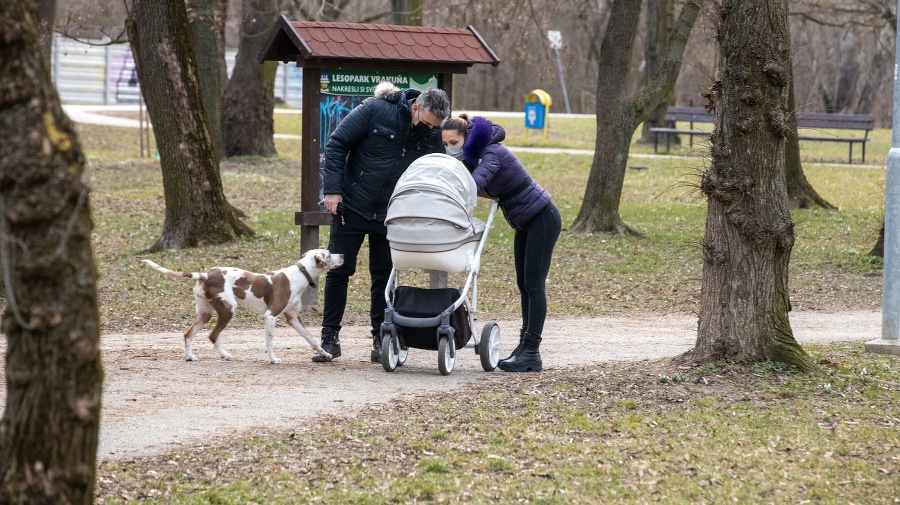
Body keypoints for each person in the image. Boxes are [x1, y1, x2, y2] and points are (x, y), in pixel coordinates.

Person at [313, 85, 451, 363]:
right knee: (340, 271)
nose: (429, 130)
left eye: (434, 126)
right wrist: (332, 190)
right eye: (426, 123)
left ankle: (381, 337)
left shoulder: (434, 132)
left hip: (391, 213)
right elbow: (337, 144)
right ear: (415, 108)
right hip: (350, 205)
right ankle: (329, 337)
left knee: (383, 276)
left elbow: (437, 170)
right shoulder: (375, 110)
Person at [441, 114, 561, 372]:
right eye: (445, 144)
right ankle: (524, 347)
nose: (450, 148)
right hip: (527, 221)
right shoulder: (477, 155)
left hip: (542, 218)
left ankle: (531, 351)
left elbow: (474, 186)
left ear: (467, 139)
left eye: (454, 142)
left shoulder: (491, 153)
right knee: (524, 284)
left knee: (534, 285)